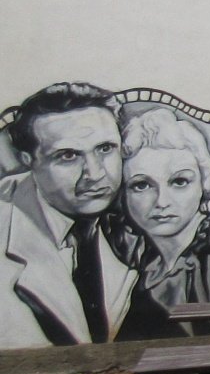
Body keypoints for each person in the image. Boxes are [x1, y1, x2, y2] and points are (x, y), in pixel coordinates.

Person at [0, 82, 140, 347]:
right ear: (28, 160)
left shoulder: (126, 219)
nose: (95, 173)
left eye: (105, 148)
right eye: (68, 155)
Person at [119, 106, 210, 327]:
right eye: (141, 185)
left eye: (179, 182)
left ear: (204, 185)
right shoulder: (138, 263)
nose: (161, 202)